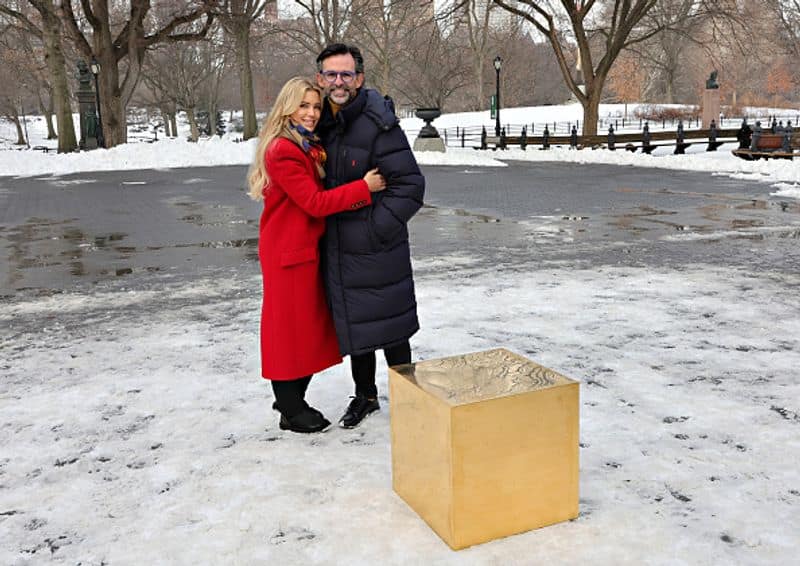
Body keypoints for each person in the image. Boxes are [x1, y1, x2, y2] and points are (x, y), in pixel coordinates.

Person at [248, 77, 386, 433]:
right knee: (289, 333)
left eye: (315, 106)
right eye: (303, 106)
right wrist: (364, 188)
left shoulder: (305, 144)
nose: (311, 114)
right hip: (288, 253)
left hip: (301, 250)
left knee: (305, 330)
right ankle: (291, 408)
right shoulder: (284, 150)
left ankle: (291, 400)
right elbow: (314, 202)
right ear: (287, 107)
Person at [314, 44, 425, 428]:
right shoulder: (318, 124)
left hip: (378, 248)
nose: (339, 81)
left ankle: (410, 400)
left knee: (392, 326)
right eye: (331, 74)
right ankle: (365, 396)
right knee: (355, 327)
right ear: (320, 79)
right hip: (338, 250)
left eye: (346, 74)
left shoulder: (380, 123)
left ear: (359, 79)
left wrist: (376, 229)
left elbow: (410, 185)